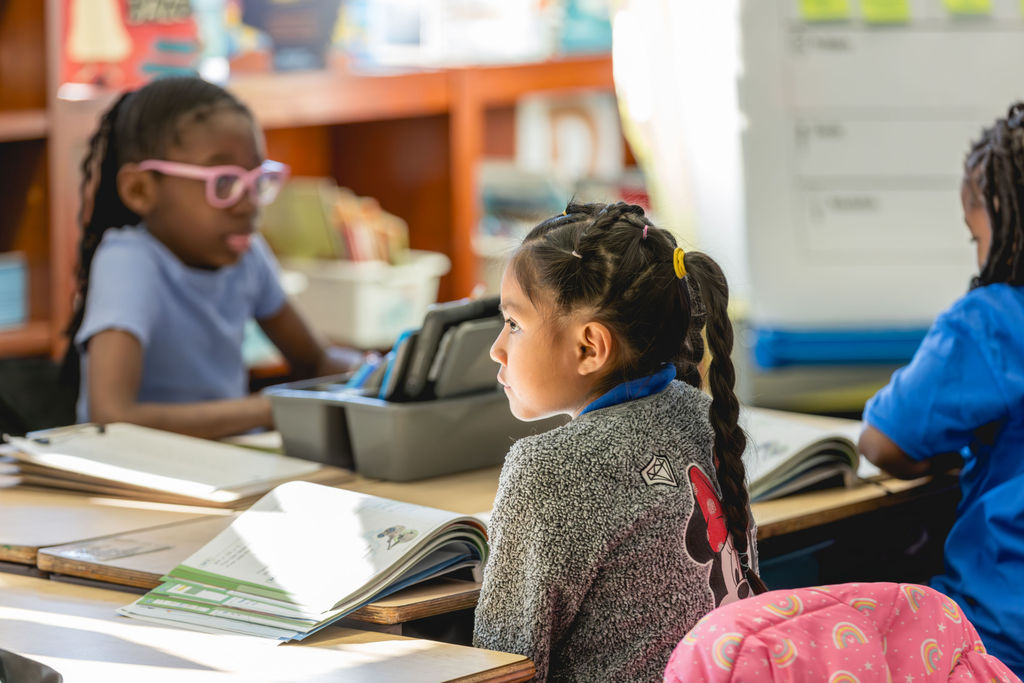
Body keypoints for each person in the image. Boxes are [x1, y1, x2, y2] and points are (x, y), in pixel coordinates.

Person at [473, 201, 766, 681]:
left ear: (589, 346)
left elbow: (504, 667)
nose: (497, 348)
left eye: (514, 324)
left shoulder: (547, 471)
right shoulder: (701, 412)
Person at [64, 76, 362, 440]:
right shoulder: (129, 262)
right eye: (223, 182)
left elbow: (315, 360)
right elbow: (110, 416)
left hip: (224, 466)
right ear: (140, 190)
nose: (249, 202)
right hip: (136, 475)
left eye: (257, 180)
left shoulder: (247, 254)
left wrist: (368, 373)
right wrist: (268, 409)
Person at [859, 103, 1024, 676]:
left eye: (974, 236)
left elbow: (881, 443)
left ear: (1002, 216)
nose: (978, 256)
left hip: (999, 640)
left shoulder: (992, 322)